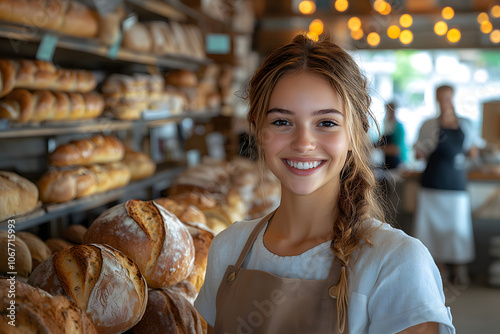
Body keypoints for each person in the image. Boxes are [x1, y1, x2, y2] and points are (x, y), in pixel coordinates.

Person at [195, 35, 454, 333]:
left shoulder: (396, 262)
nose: (303, 143)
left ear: (354, 134)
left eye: (326, 123)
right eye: (281, 121)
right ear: (257, 128)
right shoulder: (228, 247)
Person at [413, 84, 479, 286]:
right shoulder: (428, 125)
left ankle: (459, 271)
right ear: (435, 99)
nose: (445, 103)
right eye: (441, 99)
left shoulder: (465, 124)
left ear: (453, 98)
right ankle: (436, 271)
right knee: (430, 232)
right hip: (432, 184)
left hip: (456, 186)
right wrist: (425, 149)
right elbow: (418, 153)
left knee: (458, 229)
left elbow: (473, 152)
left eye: (448, 98)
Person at [380, 101, 407, 169]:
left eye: (389, 110)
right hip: (387, 162)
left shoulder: (398, 127)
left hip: (398, 164)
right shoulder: (387, 126)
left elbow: (396, 150)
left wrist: (378, 149)